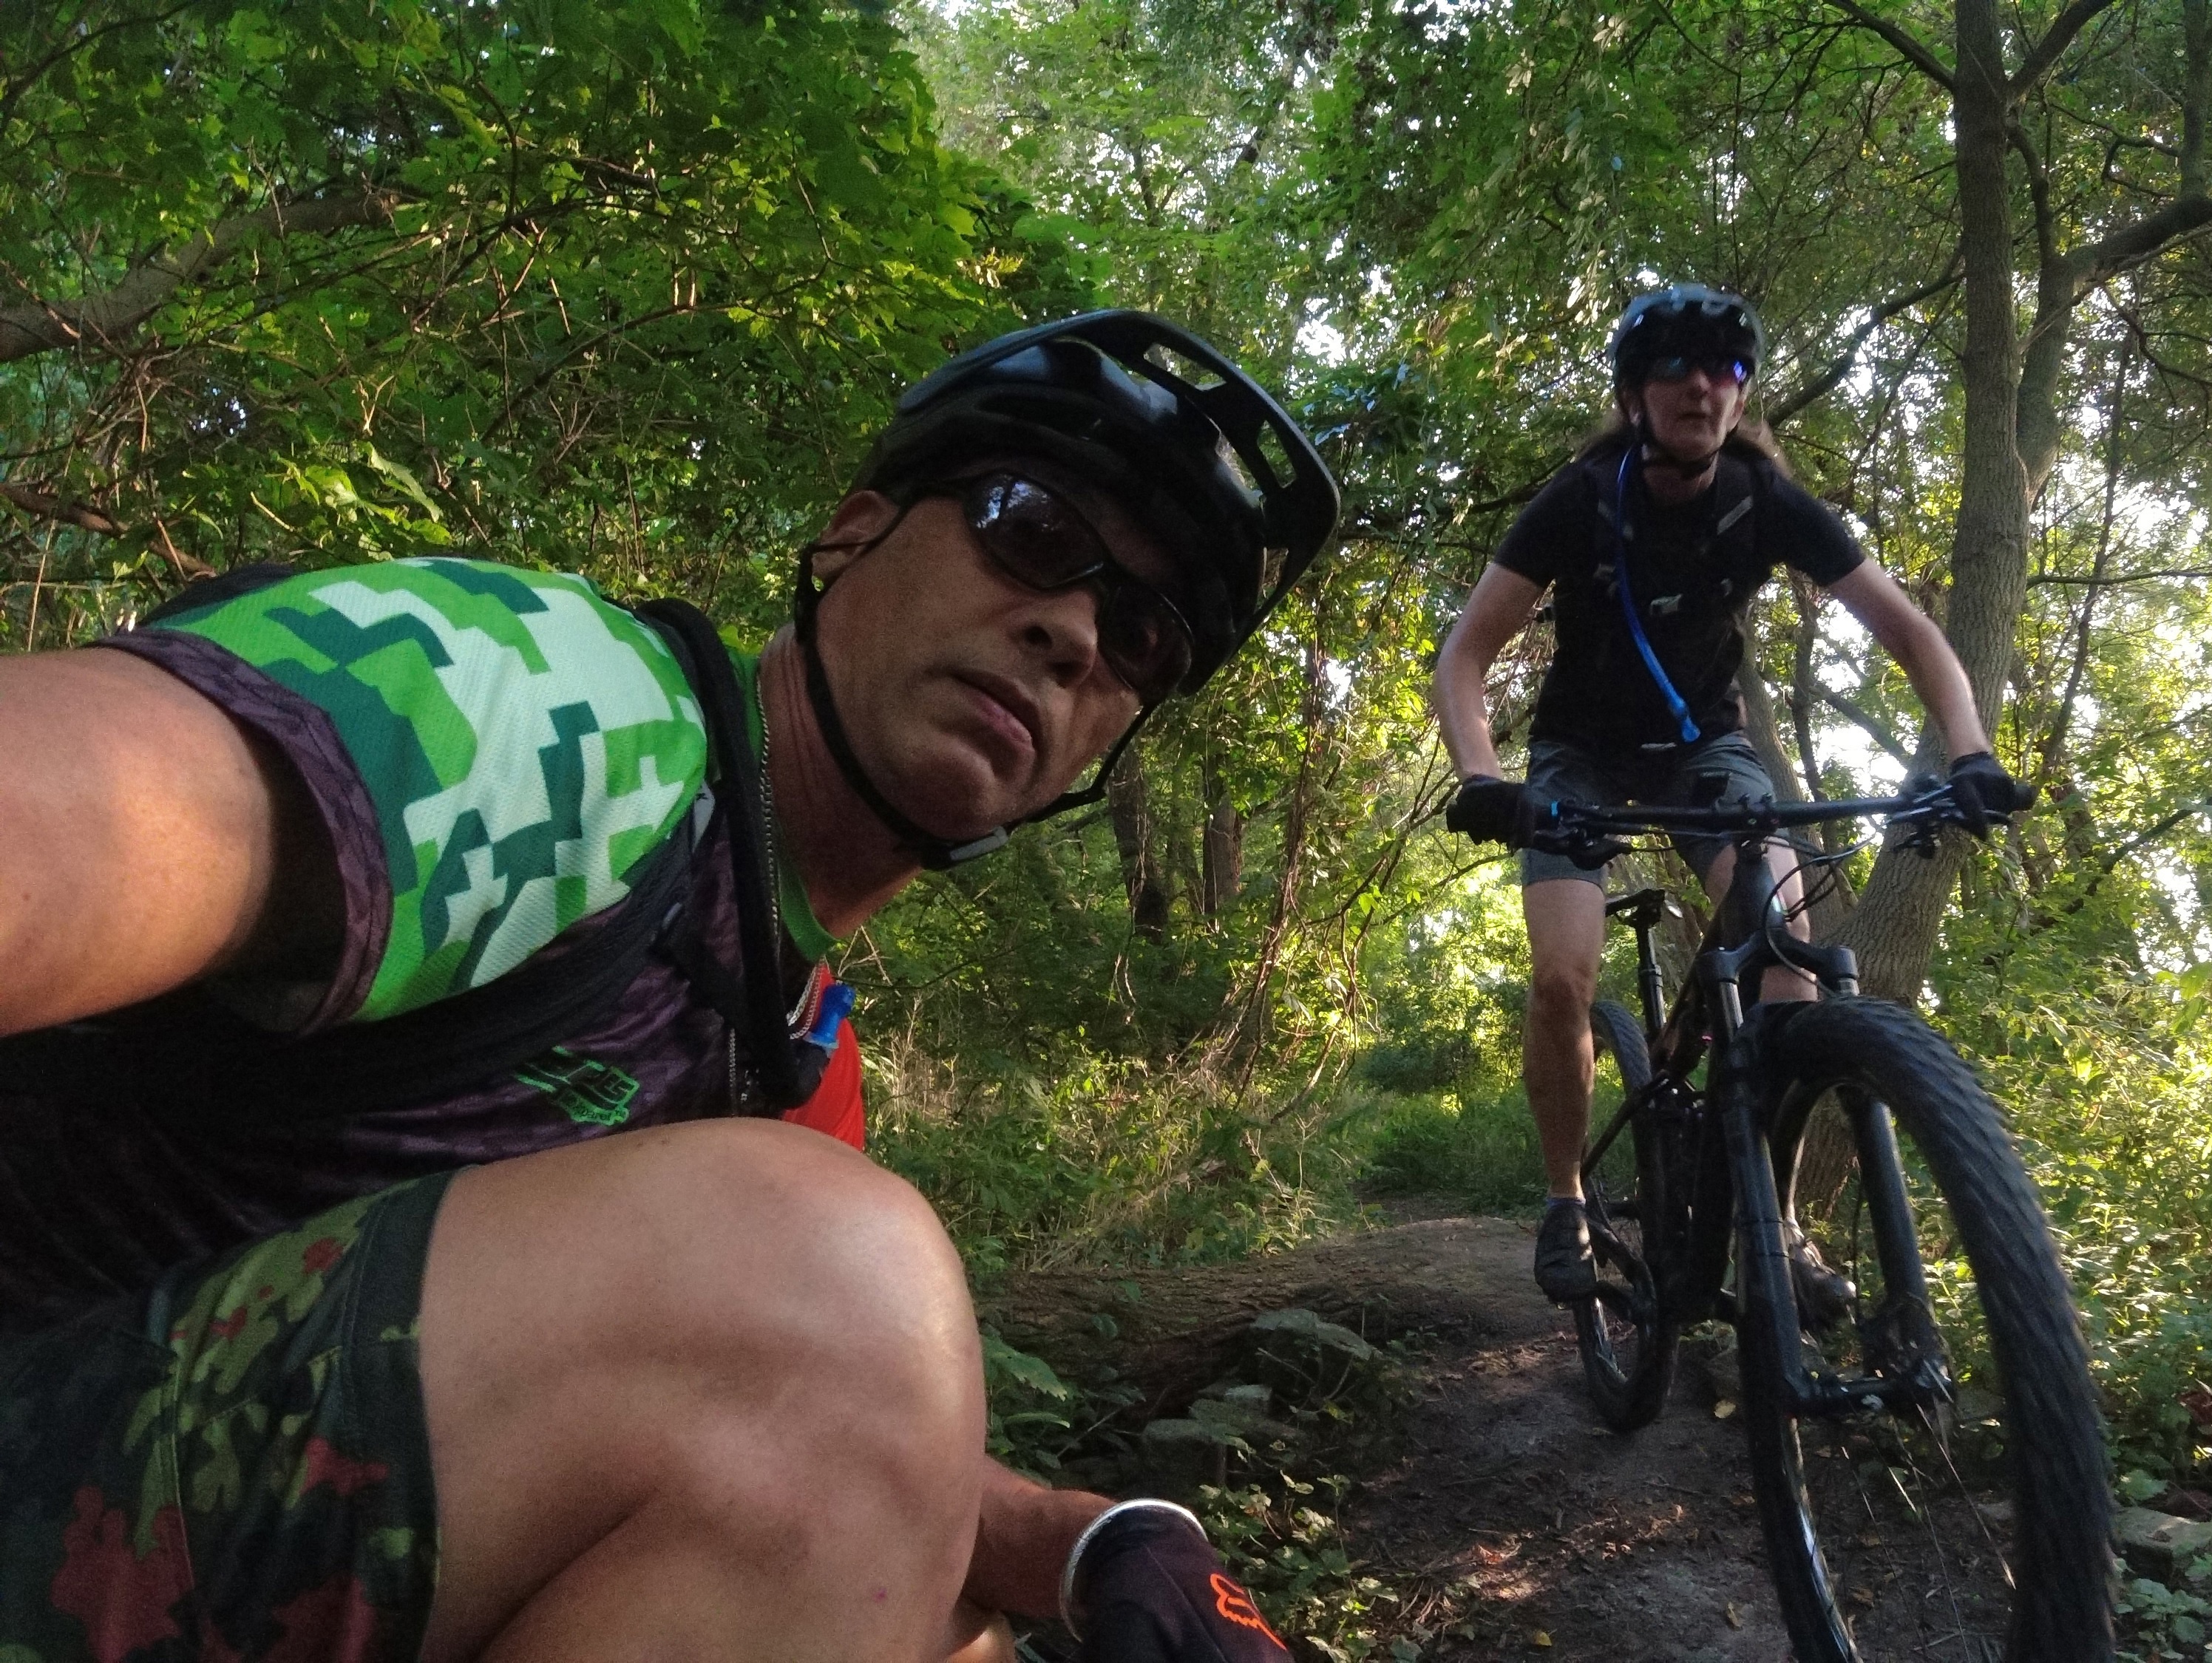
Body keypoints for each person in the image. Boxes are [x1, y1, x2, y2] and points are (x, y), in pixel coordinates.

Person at [0, 310, 1334, 1662]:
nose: (1075, 633)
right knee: (842, 1291)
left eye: (1142, 636)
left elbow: (846, 1447)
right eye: (1030, 529)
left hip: (170, 1529)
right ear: (852, 536)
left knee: (942, 1621)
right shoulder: (562, 713)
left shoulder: (797, 1056)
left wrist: (1106, 1540)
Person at [1429, 285, 2032, 1303]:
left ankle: (1774, 1224)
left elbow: (1913, 633)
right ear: (1634, 395)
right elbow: (1465, 657)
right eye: (1674, 366)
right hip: (1581, 754)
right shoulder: (1583, 498)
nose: (1702, 386)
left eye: (1725, 368)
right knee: (1563, 979)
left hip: (1706, 747)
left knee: (1788, 958)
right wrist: (1484, 779)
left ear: (1743, 395)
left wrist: (1969, 753)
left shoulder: (1764, 500)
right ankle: (1567, 1198)